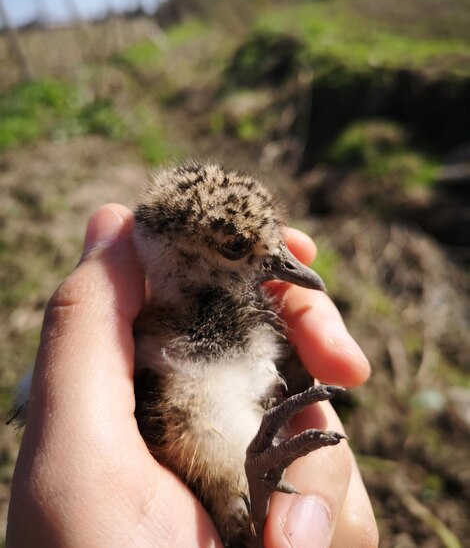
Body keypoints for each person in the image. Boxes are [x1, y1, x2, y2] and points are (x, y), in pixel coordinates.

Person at [6, 204, 379, 548]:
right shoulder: (125, 350)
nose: (297, 270)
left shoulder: (140, 340)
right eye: (236, 248)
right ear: (174, 256)